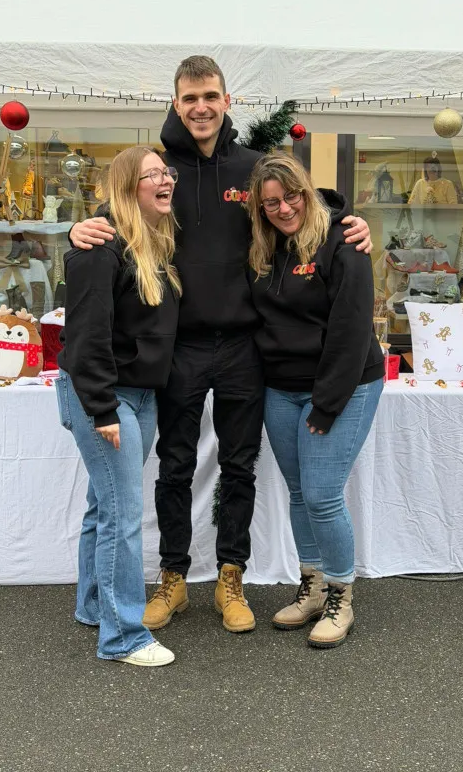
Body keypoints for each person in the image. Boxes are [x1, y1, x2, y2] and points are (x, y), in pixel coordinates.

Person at [69, 55, 372, 635]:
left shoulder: (252, 166)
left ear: (227, 100)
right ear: (176, 104)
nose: (201, 107)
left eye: (210, 96)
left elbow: (300, 203)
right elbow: (117, 215)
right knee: (175, 467)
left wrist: (347, 219)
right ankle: (174, 578)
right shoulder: (161, 170)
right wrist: (77, 229)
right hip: (178, 346)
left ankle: (231, 577)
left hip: (243, 346)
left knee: (238, 467)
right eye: (190, 98)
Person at [246, 152, 384, 649]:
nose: (283, 209)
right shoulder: (262, 247)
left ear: (306, 192)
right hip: (280, 388)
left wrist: (326, 405)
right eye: (271, 203)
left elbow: (351, 330)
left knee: (323, 495)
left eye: (291, 197)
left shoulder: (343, 241)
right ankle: (313, 586)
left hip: (343, 385)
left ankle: (341, 597)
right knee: (300, 492)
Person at [56, 146, 181, 666]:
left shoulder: (152, 240)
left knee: (102, 505)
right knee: (122, 516)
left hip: (138, 393)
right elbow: (86, 336)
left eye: (166, 172)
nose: (165, 179)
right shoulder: (99, 247)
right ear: (129, 187)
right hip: (104, 396)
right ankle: (123, 637)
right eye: (152, 174)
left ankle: (94, 608)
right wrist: (103, 408)